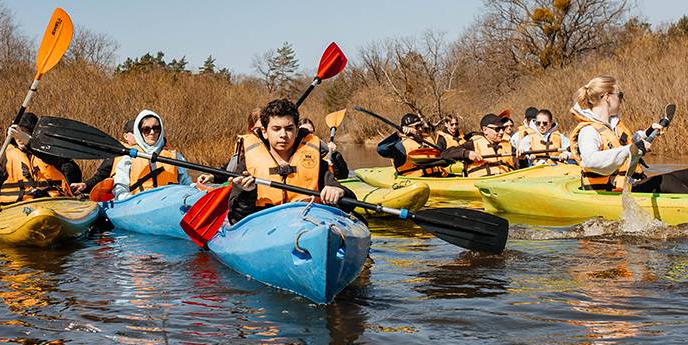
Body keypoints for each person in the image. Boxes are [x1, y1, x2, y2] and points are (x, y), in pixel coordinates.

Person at [569, 76, 688, 193]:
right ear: (606, 97)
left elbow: (626, 144)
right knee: (667, 181)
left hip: (629, 183)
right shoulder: (588, 131)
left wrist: (648, 132)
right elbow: (590, 161)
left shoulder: (612, 125)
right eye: (619, 95)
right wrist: (631, 149)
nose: (621, 100)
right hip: (611, 190)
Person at [228, 99, 356, 223]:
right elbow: (236, 218)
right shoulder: (247, 165)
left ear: (296, 130)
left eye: (289, 129)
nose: (283, 135)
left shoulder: (314, 162)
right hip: (265, 226)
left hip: (306, 222)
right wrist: (247, 193)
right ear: (265, 132)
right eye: (276, 129)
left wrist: (339, 192)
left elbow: (349, 202)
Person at [0, 112, 74, 205]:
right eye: (16, 134)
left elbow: (71, 169)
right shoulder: (9, 156)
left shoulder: (49, 152)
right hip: (18, 206)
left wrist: (27, 140)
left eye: (24, 132)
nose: (19, 138)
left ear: (34, 133)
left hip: (51, 202)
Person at [112, 110, 200, 200]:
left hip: (170, 200)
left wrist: (197, 190)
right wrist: (128, 200)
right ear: (139, 132)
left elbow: (186, 182)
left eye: (156, 128)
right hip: (139, 203)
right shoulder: (129, 156)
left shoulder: (175, 155)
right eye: (146, 129)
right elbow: (120, 187)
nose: (152, 132)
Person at [71, 119, 137, 195]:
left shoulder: (151, 153)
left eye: (143, 131)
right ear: (126, 136)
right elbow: (100, 177)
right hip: (126, 198)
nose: (140, 135)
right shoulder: (116, 153)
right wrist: (86, 185)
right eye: (135, 132)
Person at [441, 113, 515, 176]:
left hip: (507, 182)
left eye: (502, 128)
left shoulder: (508, 145)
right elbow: (445, 154)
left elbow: (519, 167)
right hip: (483, 186)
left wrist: (522, 158)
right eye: (497, 129)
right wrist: (467, 153)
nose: (501, 132)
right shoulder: (473, 144)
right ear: (485, 130)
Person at [377, 113, 444, 177]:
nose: (420, 129)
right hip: (416, 179)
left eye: (421, 125)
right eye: (417, 126)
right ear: (406, 128)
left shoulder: (428, 139)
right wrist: (398, 134)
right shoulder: (400, 146)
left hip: (438, 175)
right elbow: (381, 149)